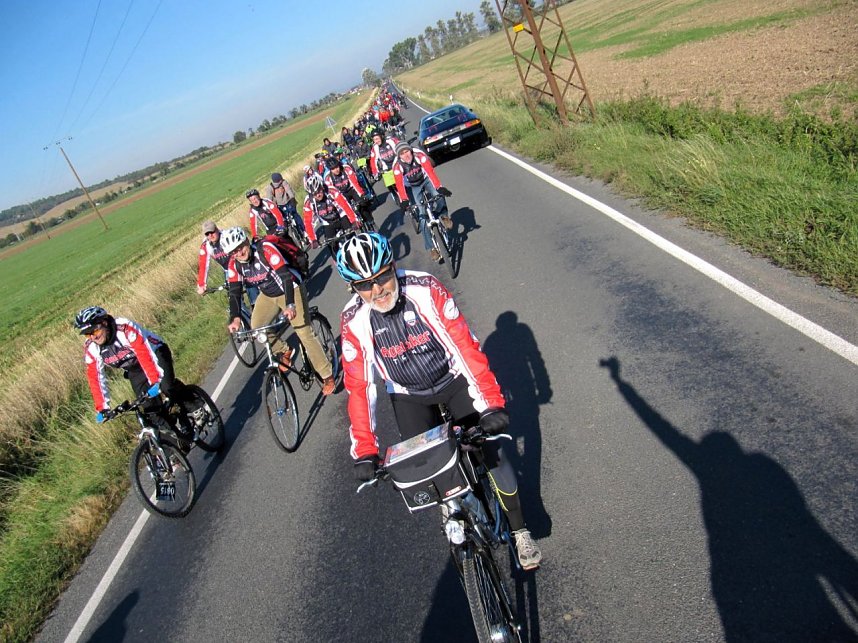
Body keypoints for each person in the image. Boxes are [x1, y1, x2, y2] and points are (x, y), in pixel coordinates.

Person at [335, 233, 542, 570]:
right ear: (353, 288)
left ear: (394, 267)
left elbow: (464, 346)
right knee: (434, 473)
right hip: (408, 394)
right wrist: (365, 450)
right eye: (365, 285)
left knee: (491, 452)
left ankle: (520, 529)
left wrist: (490, 404)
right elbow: (359, 386)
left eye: (383, 277)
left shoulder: (423, 288)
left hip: (453, 379)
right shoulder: (354, 320)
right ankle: (457, 519)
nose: (378, 290)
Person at [220, 226, 336, 396]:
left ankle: (327, 374)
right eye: (234, 252)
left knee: (303, 333)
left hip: (290, 288)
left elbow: (285, 277)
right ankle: (283, 350)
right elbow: (235, 292)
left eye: (240, 247)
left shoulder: (265, 251)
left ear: (246, 241)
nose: (239, 253)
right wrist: (235, 318)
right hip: (268, 294)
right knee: (257, 325)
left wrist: (290, 305)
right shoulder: (234, 264)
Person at [74, 306, 197, 442]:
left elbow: (144, 352)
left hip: (155, 352)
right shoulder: (92, 347)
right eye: (87, 334)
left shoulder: (124, 328)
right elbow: (95, 377)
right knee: (151, 410)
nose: (93, 336)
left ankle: (194, 405)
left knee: (166, 386)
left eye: (94, 330)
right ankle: (176, 443)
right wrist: (102, 408)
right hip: (135, 369)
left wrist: (155, 381)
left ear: (104, 322)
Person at [392, 142, 453, 262]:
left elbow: (430, 172)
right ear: (399, 156)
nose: (406, 155)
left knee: (438, 195)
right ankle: (431, 248)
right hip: (413, 186)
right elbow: (399, 184)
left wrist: (439, 187)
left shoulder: (419, 156)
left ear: (411, 151)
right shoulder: (397, 167)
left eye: (407, 151)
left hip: (425, 179)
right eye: (402, 154)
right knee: (422, 217)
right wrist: (404, 200)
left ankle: (444, 216)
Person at [301, 174, 360, 257]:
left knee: (352, 239)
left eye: (319, 191)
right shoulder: (308, 202)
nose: (318, 195)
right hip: (327, 223)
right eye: (314, 194)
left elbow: (345, 205)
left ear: (321, 187)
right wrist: (313, 239)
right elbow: (307, 221)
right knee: (332, 248)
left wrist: (354, 220)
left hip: (341, 216)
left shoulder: (331, 191)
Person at [323, 157, 373, 227]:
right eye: (333, 169)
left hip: (352, 189)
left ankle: (369, 220)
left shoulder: (346, 168)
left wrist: (361, 195)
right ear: (330, 170)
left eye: (337, 167)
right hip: (341, 194)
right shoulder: (328, 178)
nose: (336, 170)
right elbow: (333, 193)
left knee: (362, 203)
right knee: (346, 210)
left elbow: (355, 183)